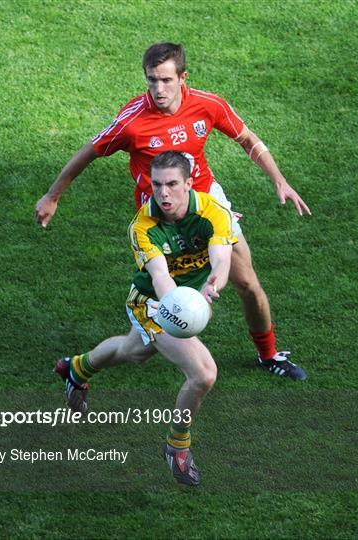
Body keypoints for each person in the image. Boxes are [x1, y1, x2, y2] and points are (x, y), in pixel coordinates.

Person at [36, 42, 309, 380]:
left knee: (248, 283)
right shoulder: (132, 122)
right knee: (142, 347)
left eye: (166, 80)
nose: (158, 89)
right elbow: (88, 153)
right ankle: (83, 366)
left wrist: (279, 180)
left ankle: (269, 355)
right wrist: (52, 196)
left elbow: (247, 139)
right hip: (160, 221)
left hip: (206, 202)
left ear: (183, 77)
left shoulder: (208, 105)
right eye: (151, 80)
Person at [55, 151, 236, 486]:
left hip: (190, 298)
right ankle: (177, 446)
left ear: (188, 183)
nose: (163, 193)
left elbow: (221, 258)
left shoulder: (213, 211)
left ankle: (77, 368)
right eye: (156, 185)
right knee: (204, 374)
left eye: (171, 184)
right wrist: (178, 306)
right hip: (153, 303)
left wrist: (213, 284)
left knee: (134, 351)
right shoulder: (143, 225)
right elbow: (160, 277)